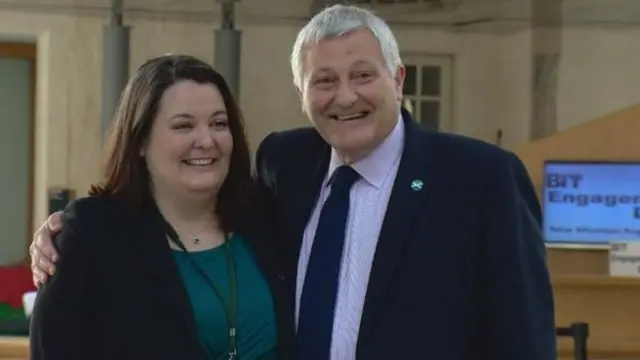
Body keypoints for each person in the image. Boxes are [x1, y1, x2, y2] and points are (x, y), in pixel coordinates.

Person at [30, 4, 556, 360]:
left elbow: (524, 340)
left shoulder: (481, 179)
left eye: (363, 75)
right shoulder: (287, 165)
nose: (344, 96)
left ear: (398, 80)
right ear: (302, 93)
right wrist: (61, 231)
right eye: (324, 81)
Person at [28, 54, 293, 360]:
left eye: (219, 123)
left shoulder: (265, 217)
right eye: (183, 126)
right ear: (140, 141)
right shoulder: (90, 233)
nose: (206, 140)